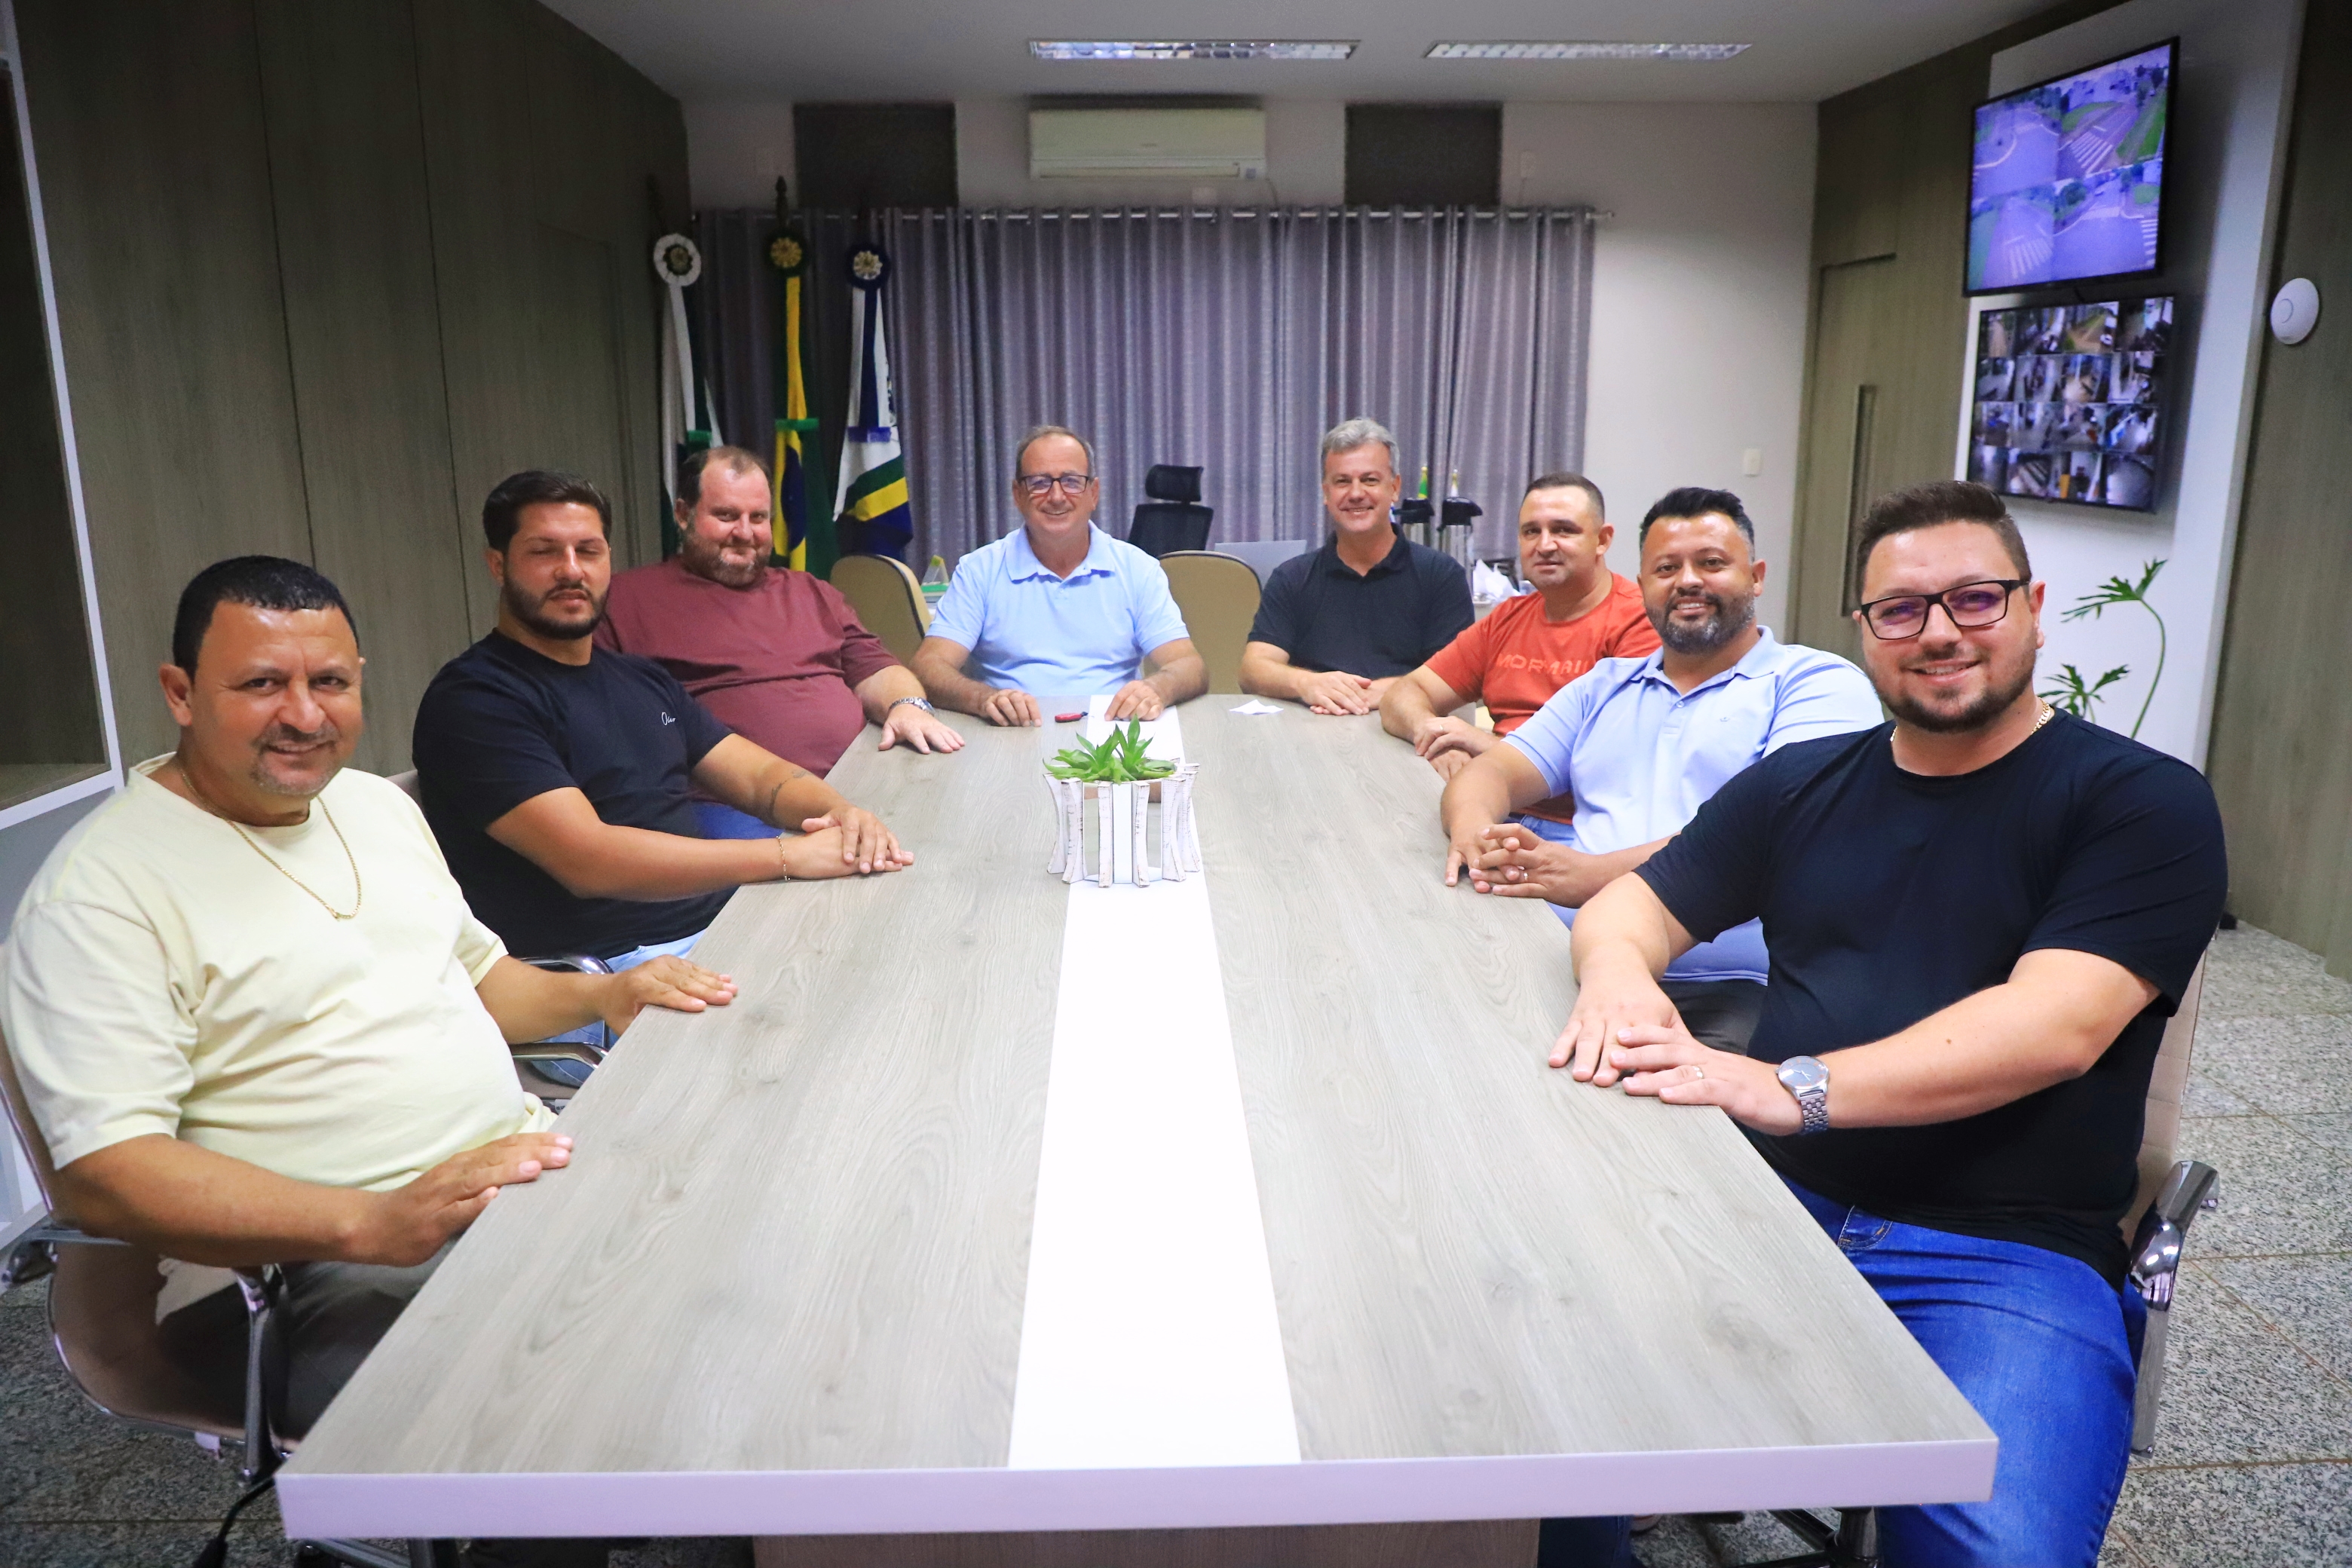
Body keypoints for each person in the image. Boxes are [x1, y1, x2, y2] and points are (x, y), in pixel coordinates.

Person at [0, 558, 730, 1566]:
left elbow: (484, 980)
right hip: (316, 1267)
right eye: (262, 683)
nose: (303, 715)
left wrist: (605, 995)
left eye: (330, 682)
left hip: (517, 1180)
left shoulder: (372, 808)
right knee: (563, 1401)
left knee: (752, 1283)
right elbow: (107, 1175)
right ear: (180, 692)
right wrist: (373, 1221)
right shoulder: (102, 895)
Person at [1557, 480, 2226, 1566]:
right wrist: (1617, 979)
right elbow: (1631, 907)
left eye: (1975, 598)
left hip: (2005, 1251)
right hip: (1770, 1202)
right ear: (1865, 631)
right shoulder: (1798, 786)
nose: (1941, 632)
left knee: (1991, 1551)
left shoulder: (2140, 802)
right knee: (1539, 1435)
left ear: (2033, 607)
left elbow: (2054, 1026)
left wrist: (1792, 1086)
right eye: (1903, 609)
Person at [412, 470, 912, 978]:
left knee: (903, 947)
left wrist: (843, 813)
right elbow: (590, 861)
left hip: (718, 929)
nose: (572, 570)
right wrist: (787, 856)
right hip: (610, 970)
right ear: (498, 565)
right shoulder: (476, 700)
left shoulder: (640, 678)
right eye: (545, 552)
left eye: (589, 551)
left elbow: (762, 779)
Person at [1439, 487, 1880, 1053]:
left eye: (1712, 563)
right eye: (1666, 569)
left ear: (1756, 578)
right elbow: (1491, 774)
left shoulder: (1815, 683)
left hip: (1729, 984)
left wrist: (1592, 875)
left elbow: (1776, 838)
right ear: (1642, 584)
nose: (1687, 581)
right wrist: (1475, 833)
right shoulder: (1604, 686)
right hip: (1565, 959)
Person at [598, 446, 963, 838]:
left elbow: (875, 668)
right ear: (684, 515)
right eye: (726, 516)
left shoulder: (810, 591)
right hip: (732, 806)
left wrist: (907, 705)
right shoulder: (624, 600)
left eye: (758, 518)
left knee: (962, 822)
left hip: (862, 778)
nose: (744, 533)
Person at [1379, 472, 1658, 812]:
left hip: (1576, 827)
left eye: (1563, 530)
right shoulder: (1508, 618)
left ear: (1602, 539)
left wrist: (1486, 746)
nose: (1545, 545)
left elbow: (1611, 762)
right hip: (1492, 804)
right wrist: (1436, 734)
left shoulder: (1640, 621)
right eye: (1531, 532)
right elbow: (1403, 695)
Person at [909, 425, 1205, 725]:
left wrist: (1156, 689)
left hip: (1110, 731)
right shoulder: (979, 570)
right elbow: (929, 666)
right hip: (1011, 731)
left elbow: (1189, 665)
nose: (1056, 496)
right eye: (1039, 482)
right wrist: (984, 699)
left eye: (1071, 482)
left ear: (1093, 494)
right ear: (1018, 495)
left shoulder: (1138, 569)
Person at [1239, 418, 1473, 715]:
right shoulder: (1292, 577)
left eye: (1370, 480)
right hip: (1311, 728)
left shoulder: (1441, 576)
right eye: (1342, 481)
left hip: (1407, 728)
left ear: (1394, 488)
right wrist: (1307, 683)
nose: (1356, 493)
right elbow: (1253, 669)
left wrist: (1379, 692)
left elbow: (1458, 674)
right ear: (1326, 493)